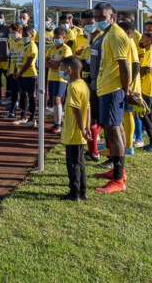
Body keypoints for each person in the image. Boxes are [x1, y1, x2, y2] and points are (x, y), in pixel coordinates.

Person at [92, 2, 131, 194]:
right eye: (97, 17)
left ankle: (118, 180)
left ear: (112, 18)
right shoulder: (106, 34)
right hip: (106, 88)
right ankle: (118, 172)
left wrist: (127, 90)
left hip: (113, 89)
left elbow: (124, 65)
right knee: (114, 130)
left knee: (114, 131)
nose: (99, 20)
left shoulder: (115, 35)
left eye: (103, 17)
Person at [59, 56, 91, 201]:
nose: (60, 72)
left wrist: (83, 129)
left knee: (73, 164)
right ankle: (83, 191)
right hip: (80, 130)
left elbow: (77, 109)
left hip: (73, 132)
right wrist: (87, 126)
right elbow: (88, 108)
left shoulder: (72, 87)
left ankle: (74, 193)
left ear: (69, 70)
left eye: (62, 69)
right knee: (80, 162)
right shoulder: (83, 84)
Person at [80, 10, 103, 162]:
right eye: (86, 24)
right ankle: (93, 151)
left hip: (101, 86)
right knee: (93, 119)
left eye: (91, 24)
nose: (88, 26)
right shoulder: (90, 44)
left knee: (95, 120)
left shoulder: (103, 40)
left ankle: (95, 152)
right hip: (90, 86)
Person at [117, 21, 142, 155]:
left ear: (127, 32)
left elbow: (136, 65)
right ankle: (124, 142)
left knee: (128, 114)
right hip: (123, 84)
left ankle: (129, 146)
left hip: (129, 86)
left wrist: (128, 85)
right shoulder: (123, 43)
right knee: (123, 115)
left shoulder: (130, 43)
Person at [46, 27, 73, 134]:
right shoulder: (51, 48)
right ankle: (57, 123)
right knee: (53, 100)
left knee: (58, 99)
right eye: (54, 37)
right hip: (51, 77)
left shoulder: (67, 49)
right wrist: (55, 63)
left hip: (61, 78)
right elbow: (46, 62)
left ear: (64, 38)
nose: (55, 39)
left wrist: (54, 63)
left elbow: (62, 64)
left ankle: (60, 124)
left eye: (58, 37)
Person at [13, 26, 38, 127]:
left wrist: (20, 72)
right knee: (22, 93)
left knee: (31, 95)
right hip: (20, 74)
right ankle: (23, 117)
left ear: (31, 36)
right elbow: (17, 59)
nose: (24, 37)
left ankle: (32, 119)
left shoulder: (32, 46)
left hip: (29, 74)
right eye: (23, 35)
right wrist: (15, 71)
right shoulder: (21, 45)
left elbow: (29, 62)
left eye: (26, 36)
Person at [6, 22, 23, 118]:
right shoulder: (11, 40)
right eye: (10, 32)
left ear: (19, 32)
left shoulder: (24, 42)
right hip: (12, 70)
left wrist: (19, 71)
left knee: (23, 93)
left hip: (21, 72)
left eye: (13, 32)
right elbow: (11, 55)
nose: (11, 34)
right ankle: (12, 111)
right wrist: (9, 69)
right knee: (13, 92)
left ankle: (23, 113)